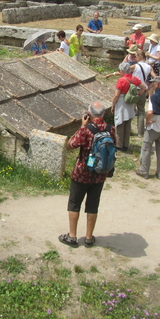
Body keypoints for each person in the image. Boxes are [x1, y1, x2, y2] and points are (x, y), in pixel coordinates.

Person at [59, 102, 115, 248]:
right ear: (103, 114)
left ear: (89, 113)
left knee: (74, 203)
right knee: (93, 205)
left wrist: (82, 126)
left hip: (82, 172)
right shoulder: (111, 129)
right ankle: (89, 237)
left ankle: (72, 237)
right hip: (100, 174)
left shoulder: (86, 130)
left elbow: (70, 145)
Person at [110, 62, 147, 151]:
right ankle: (126, 144)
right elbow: (144, 87)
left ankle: (119, 144)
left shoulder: (121, 80)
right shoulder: (134, 78)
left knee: (120, 123)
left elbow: (116, 95)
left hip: (122, 102)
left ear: (122, 71)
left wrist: (113, 105)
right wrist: (138, 95)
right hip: (130, 102)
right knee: (127, 124)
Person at [132, 50, 153, 138]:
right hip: (143, 89)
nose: (135, 58)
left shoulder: (135, 66)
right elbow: (154, 76)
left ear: (139, 57)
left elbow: (124, 70)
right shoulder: (149, 67)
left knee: (131, 109)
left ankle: (128, 130)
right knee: (141, 111)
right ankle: (141, 132)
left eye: (136, 56)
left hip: (133, 89)